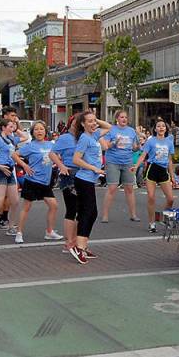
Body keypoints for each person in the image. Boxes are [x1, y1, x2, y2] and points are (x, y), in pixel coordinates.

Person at [70, 111, 112, 263]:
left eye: (94, 121)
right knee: (88, 213)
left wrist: (94, 120)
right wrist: (94, 169)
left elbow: (109, 127)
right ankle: (79, 248)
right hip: (84, 180)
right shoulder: (84, 138)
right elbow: (76, 160)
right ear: (82, 124)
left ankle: (83, 246)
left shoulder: (93, 136)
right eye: (89, 121)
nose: (94, 124)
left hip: (89, 180)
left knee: (90, 213)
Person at [12, 121, 62, 243]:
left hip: (45, 182)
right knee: (26, 207)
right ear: (33, 132)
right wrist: (24, 166)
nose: (39, 131)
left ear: (45, 131)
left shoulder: (51, 144)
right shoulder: (30, 146)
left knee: (54, 206)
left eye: (41, 129)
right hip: (32, 181)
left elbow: (57, 156)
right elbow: (14, 155)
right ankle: (19, 233)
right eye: (36, 129)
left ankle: (49, 232)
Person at [0, 118, 28, 240]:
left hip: (10, 169)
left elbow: (25, 137)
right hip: (0, 170)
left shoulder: (11, 139)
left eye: (12, 126)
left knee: (15, 201)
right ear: (3, 127)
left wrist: (16, 126)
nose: (12, 128)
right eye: (9, 126)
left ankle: (11, 226)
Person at [132, 119, 176, 233]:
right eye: (158, 126)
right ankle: (152, 223)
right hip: (152, 169)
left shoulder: (169, 142)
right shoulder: (151, 141)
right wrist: (136, 166)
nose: (161, 128)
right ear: (155, 129)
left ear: (166, 129)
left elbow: (170, 160)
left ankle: (163, 217)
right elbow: (143, 155)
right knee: (151, 197)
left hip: (163, 170)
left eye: (163, 126)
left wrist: (173, 176)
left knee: (170, 199)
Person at [100, 110, 141, 222]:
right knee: (112, 187)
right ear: (117, 119)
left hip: (127, 161)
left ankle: (133, 214)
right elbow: (106, 146)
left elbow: (134, 147)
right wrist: (114, 142)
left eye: (126, 117)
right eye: (122, 117)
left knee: (129, 188)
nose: (124, 119)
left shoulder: (131, 131)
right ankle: (105, 215)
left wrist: (139, 146)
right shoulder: (111, 130)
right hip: (113, 161)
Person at [50, 115, 81, 255]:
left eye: (80, 122)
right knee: (72, 209)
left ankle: (77, 241)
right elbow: (52, 154)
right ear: (70, 124)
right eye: (75, 122)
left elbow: (107, 128)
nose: (77, 125)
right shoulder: (64, 138)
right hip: (69, 174)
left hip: (84, 175)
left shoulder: (85, 136)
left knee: (83, 210)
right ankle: (68, 242)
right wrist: (61, 166)